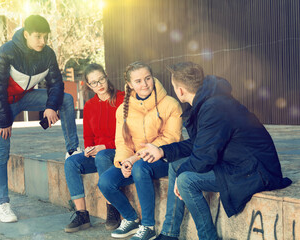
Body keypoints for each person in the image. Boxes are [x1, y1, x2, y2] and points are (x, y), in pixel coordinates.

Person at [138, 62, 293, 240]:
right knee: (175, 166)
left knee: (186, 181)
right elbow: (199, 144)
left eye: (174, 87)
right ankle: (170, 233)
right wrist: (162, 151)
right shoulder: (208, 101)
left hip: (255, 171)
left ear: (180, 91)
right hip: (237, 163)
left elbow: (203, 157)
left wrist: (181, 176)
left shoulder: (214, 107)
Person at [0, 15, 80, 223]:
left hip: (24, 97)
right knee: (1, 152)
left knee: (67, 99)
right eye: (37, 36)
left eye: (45, 37)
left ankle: (72, 150)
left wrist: (50, 107)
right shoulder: (7, 51)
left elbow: (56, 84)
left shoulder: (47, 54)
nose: (42, 41)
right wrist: (4, 121)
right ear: (26, 34)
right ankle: (2, 205)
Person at [98, 61, 183, 240]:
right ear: (129, 85)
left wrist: (134, 160)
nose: (144, 84)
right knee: (105, 181)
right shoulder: (123, 109)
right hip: (135, 160)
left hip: (165, 158)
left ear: (153, 78)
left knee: (140, 168)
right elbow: (122, 142)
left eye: (147, 78)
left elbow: (170, 138)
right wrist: (123, 162)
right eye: (138, 81)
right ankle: (131, 219)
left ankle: (148, 226)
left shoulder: (170, 104)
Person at [64, 63, 125, 233]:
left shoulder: (122, 99)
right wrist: (89, 149)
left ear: (106, 77)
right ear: (89, 86)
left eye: (101, 79)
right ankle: (82, 214)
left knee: (103, 155)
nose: (99, 85)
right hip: (98, 153)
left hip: (118, 151)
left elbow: (129, 136)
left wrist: (104, 146)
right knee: (71, 162)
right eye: (94, 83)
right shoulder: (90, 106)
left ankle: (112, 208)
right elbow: (88, 137)